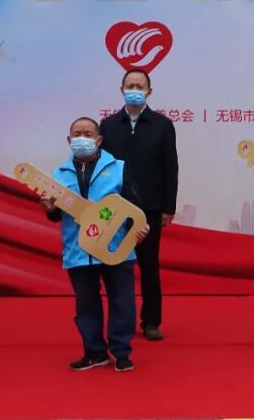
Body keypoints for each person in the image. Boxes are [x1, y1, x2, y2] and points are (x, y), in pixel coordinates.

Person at [39, 117, 150, 372]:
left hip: (115, 248)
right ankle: (94, 352)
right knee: (86, 304)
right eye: (77, 134)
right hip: (78, 249)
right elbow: (56, 216)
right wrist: (50, 208)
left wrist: (139, 228)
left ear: (99, 140)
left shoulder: (119, 168)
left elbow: (134, 205)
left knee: (122, 302)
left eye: (88, 134)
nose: (82, 138)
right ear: (69, 140)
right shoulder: (58, 175)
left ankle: (121, 351)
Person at [100, 69, 178, 341]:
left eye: (140, 86)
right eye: (130, 85)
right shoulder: (108, 125)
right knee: (115, 265)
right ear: (121, 90)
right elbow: (102, 167)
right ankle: (120, 321)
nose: (134, 90)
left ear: (149, 91)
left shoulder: (162, 125)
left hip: (150, 207)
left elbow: (170, 167)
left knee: (149, 265)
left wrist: (168, 207)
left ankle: (151, 321)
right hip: (115, 206)